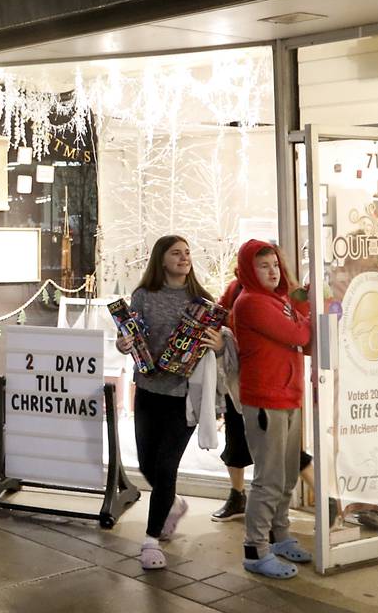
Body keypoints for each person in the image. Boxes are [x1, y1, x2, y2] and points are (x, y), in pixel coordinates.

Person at [114, 235, 224, 572]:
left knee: (165, 467)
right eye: (176, 253)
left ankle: (150, 540)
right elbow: (132, 336)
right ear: (161, 260)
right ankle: (173, 505)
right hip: (148, 390)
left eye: (188, 253)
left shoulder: (202, 301)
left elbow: (220, 353)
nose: (184, 258)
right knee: (147, 464)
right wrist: (123, 344)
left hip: (184, 398)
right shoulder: (143, 296)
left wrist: (219, 345)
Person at [229, 239, 313, 579]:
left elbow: (301, 339)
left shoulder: (279, 301)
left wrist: (300, 304)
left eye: (275, 264)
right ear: (250, 269)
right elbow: (301, 335)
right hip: (265, 401)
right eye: (264, 266)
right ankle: (255, 549)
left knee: (288, 475)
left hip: (289, 398)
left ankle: (279, 536)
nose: (273, 271)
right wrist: (304, 312)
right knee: (269, 480)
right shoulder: (251, 303)